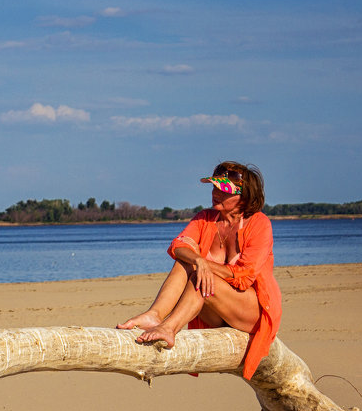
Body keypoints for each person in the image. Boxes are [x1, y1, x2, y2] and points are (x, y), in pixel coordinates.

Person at [117, 161, 281, 380]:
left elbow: (245, 276)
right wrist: (199, 261)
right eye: (214, 187)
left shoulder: (259, 223)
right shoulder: (205, 218)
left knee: (202, 272)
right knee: (186, 260)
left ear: (245, 196)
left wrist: (206, 266)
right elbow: (178, 246)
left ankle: (169, 328)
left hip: (250, 311)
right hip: (214, 310)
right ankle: (155, 315)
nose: (215, 194)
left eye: (224, 191)